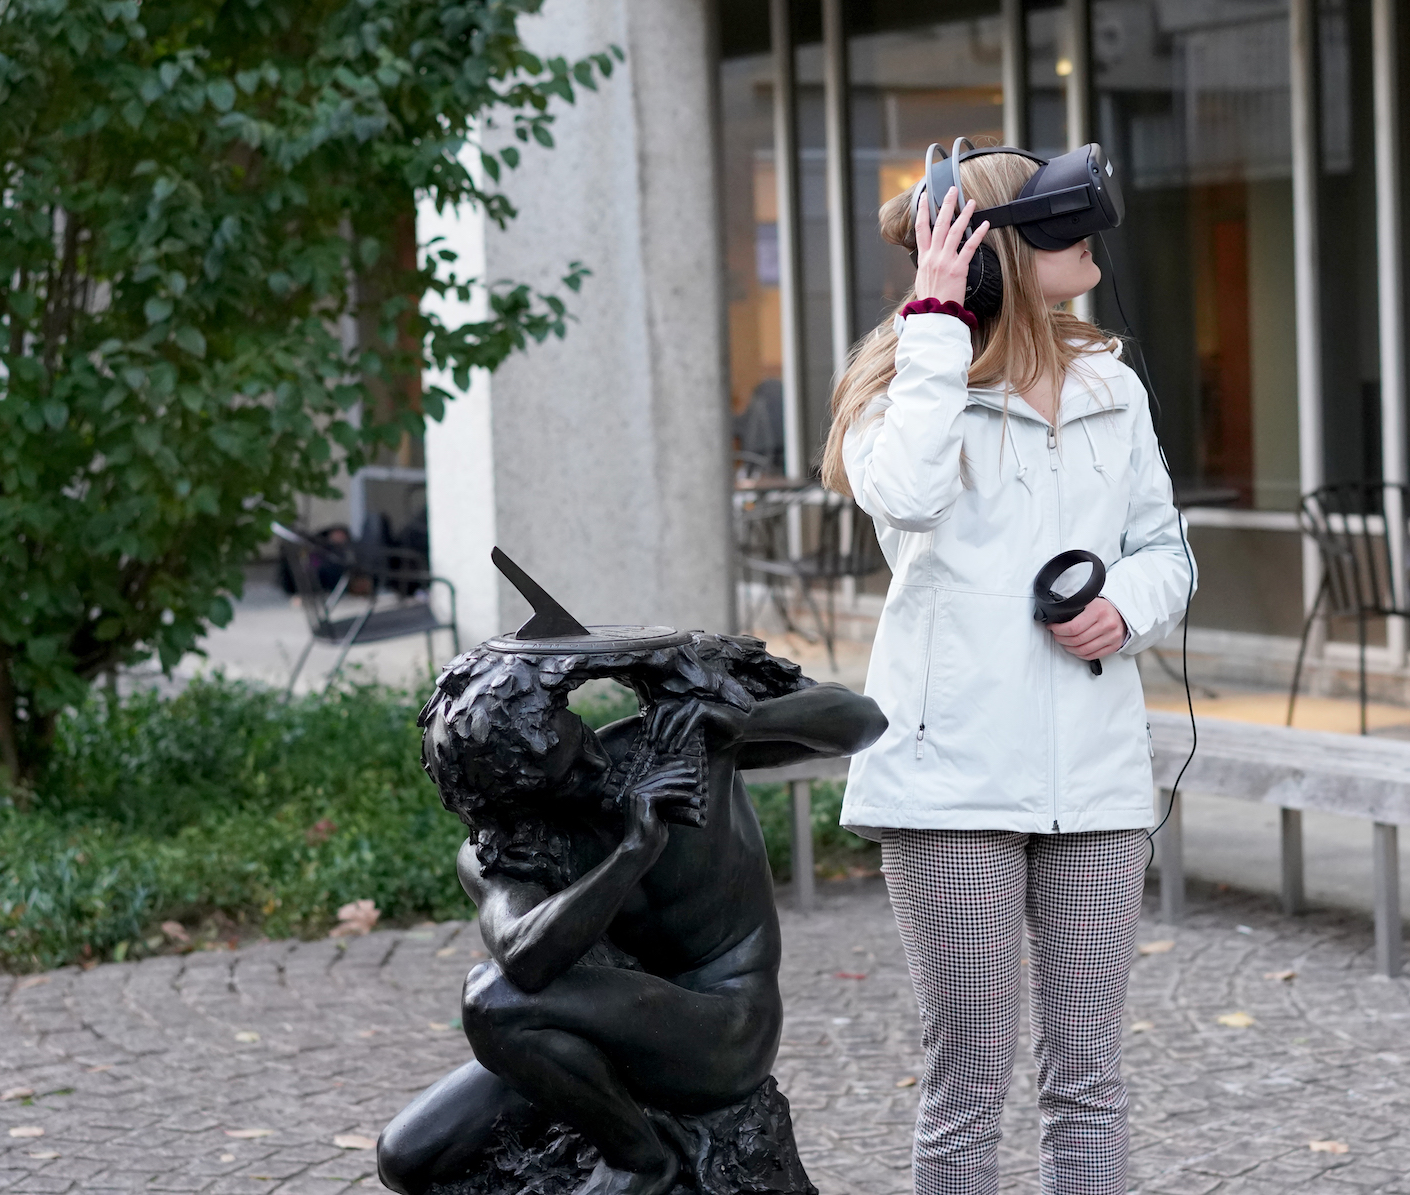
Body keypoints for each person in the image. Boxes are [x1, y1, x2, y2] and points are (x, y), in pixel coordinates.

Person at [825, 149, 1195, 1195]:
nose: (1084, 229)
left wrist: (1124, 607)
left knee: (1088, 1079)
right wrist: (936, 322)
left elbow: (1165, 551)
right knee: (966, 1084)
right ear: (991, 253)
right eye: (1049, 216)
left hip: (1095, 779)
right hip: (948, 786)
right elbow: (903, 498)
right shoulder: (903, 392)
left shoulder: (1110, 389)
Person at [377, 634, 885, 1195]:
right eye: (568, 777)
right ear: (515, 803)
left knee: (493, 1004)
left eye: (580, 741)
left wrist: (745, 721)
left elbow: (864, 721)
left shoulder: (669, 747)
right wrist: (633, 852)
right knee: (407, 1157)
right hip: (604, 1028)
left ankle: (640, 1160)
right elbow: (523, 959)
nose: (595, 767)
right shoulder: (511, 848)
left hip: (725, 1025)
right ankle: (618, 1129)